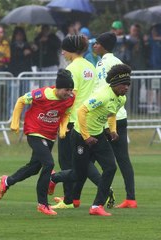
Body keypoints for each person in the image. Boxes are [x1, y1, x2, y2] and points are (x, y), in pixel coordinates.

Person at [0, 69, 75, 216]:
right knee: (49, 163)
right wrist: (15, 122)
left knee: (33, 168)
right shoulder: (41, 94)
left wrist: (63, 128)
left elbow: (65, 114)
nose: (69, 93)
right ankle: (42, 204)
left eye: (71, 89)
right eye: (66, 89)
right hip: (35, 132)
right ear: (58, 87)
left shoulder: (70, 98)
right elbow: (21, 101)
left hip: (50, 136)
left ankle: (7, 181)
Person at [71, 63, 132, 216]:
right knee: (79, 174)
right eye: (123, 85)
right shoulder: (102, 95)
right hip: (80, 136)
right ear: (115, 84)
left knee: (111, 167)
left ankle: (97, 206)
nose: (126, 88)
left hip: (97, 135)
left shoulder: (121, 99)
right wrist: (86, 136)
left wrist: (112, 130)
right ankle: (53, 178)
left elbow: (111, 114)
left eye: (128, 85)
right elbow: (81, 111)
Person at [49, 35, 102, 210]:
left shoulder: (71, 69)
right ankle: (72, 197)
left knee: (67, 161)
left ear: (70, 50)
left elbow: (71, 96)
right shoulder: (90, 66)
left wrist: (60, 118)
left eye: (64, 49)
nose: (62, 52)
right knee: (81, 161)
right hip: (88, 119)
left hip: (71, 120)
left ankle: (69, 200)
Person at [93, 32, 137, 208]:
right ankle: (131, 198)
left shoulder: (102, 63)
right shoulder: (118, 62)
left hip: (107, 117)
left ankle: (74, 198)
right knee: (123, 159)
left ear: (103, 46)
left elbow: (99, 88)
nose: (94, 46)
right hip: (121, 115)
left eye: (96, 43)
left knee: (89, 159)